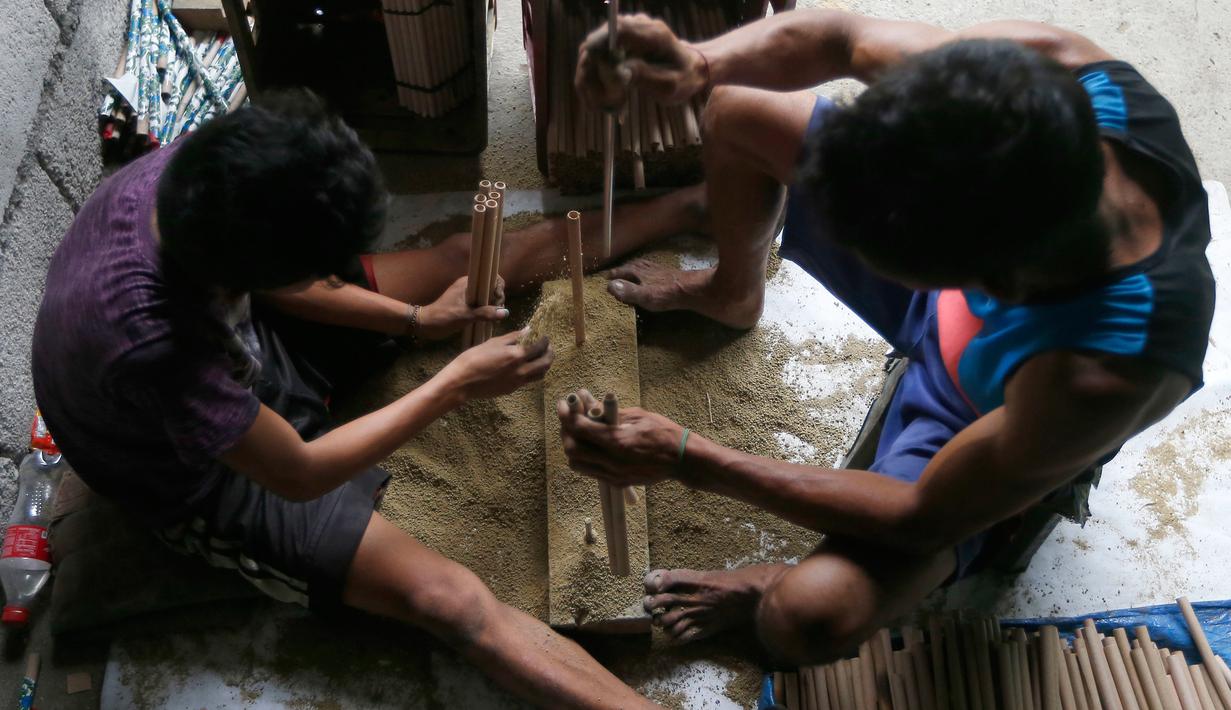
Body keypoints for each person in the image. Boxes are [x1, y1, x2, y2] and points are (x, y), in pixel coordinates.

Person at [561, 11, 1213, 665]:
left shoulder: (1108, 369)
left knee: (806, 619)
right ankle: (731, 293)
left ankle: (769, 588)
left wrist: (686, 457)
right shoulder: (1024, 86)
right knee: (738, 107)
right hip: (975, 287)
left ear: (989, 280)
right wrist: (699, 63)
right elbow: (840, 39)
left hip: (978, 417)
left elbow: (920, 515)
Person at [32, 90, 703, 708]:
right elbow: (297, 471)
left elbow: (288, 287)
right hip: (200, 472)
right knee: (450, 602)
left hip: (242, 337)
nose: (334, 272)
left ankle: (686, 205)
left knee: (461, 261)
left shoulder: (210, 174)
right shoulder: (153, 342)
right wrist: (456, 381)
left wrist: (415, 321)